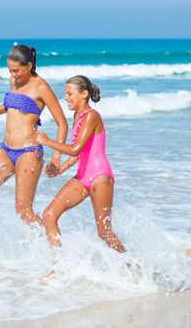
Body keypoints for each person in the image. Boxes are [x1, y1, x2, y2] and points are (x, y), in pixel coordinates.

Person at [0, 45, 68, 260]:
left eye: (17, 70)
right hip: (6, 151)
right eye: (10, 70)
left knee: (24, 212)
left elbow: (62, 123)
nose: (13, 75)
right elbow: (9, 104)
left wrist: (56, 155)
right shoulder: (14, 82)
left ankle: (58, 255)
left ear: (30, 65)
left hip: (29, 153)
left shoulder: (41, 86)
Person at [36, 75, 125, 268]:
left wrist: (47, 141)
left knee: (104, 232)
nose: (66, 98)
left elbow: (75, 148)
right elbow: (78, 155)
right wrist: (59, 170)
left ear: (84, 94)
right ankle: (58, 268)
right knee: (49, 215)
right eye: (65, 94)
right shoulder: (78, 116)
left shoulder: (92, 116)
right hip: (83, 177)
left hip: (100, 177)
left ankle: (133, 267)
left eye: (69, 93)